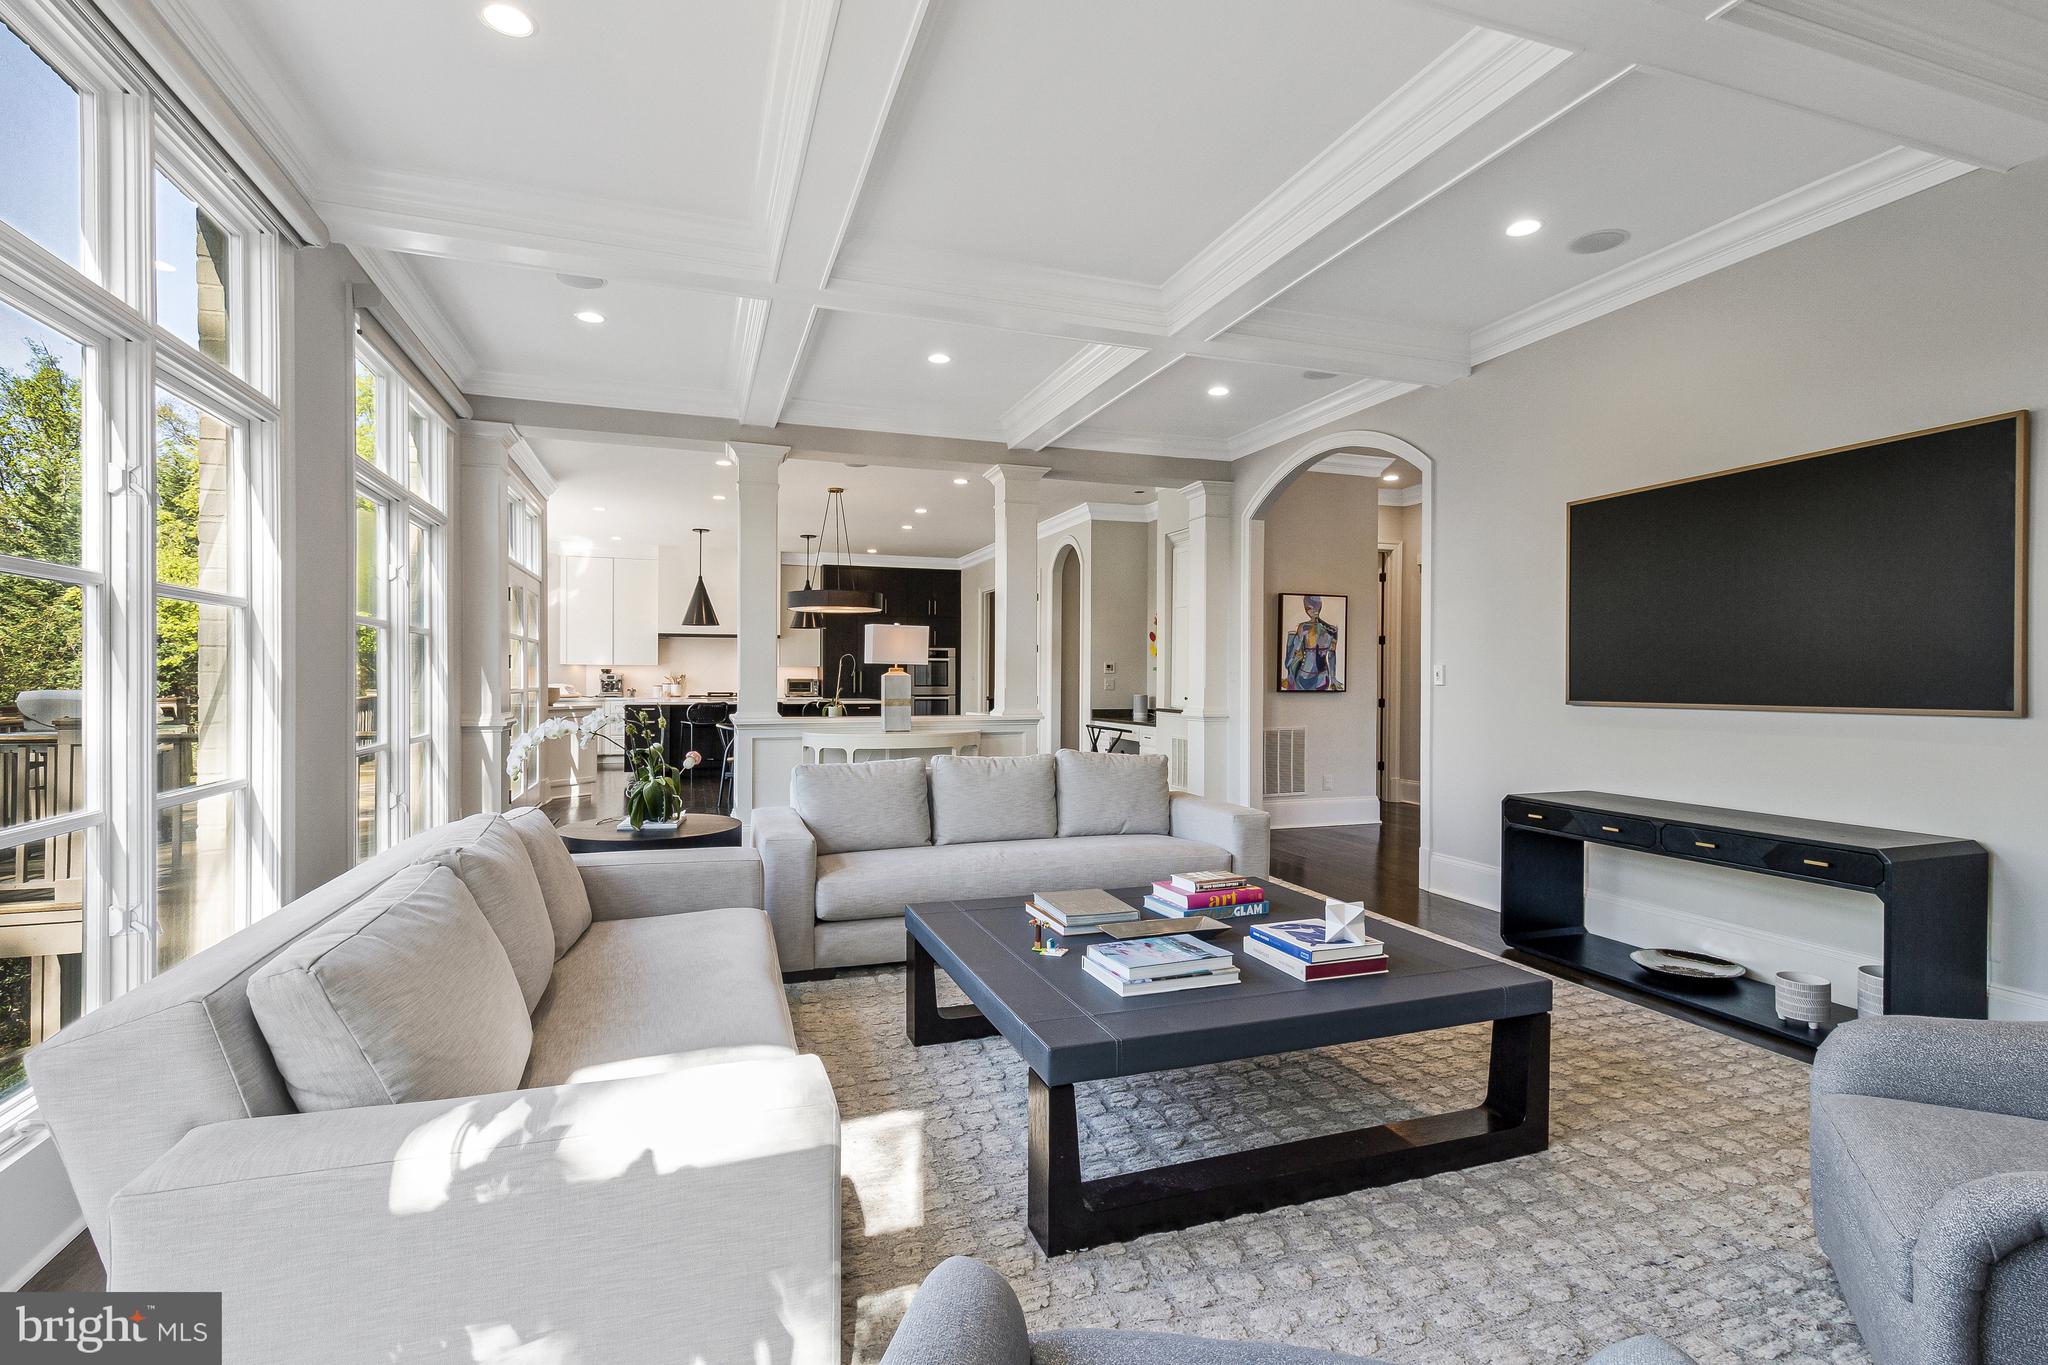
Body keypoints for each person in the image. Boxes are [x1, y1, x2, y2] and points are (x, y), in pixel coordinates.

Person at [1282, 594, 1340, 691]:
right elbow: (1331, 656)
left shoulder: (1304, 627)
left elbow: (1293, 653)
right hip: (1323, 678)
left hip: (1304, 676)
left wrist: (1288, 666)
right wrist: (1333, 678)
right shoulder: (1332, 630)